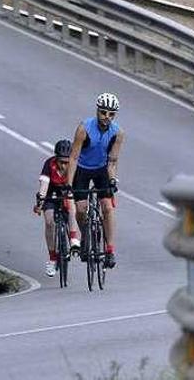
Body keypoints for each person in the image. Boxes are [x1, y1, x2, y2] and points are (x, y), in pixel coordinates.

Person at [66, 92, 125, 269]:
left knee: (107, 207)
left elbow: (112, 160)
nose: (107, 117)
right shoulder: (84, 128)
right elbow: (74, 157)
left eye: (111, 114)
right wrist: (69, 184)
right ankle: (85, 237)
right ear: (97, 111)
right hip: (82, 169)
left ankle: (109, 250)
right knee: (82, 209)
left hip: (101, 169)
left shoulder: (118, 133)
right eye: (103, 113)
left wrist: (112, 180)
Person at [34, 139, 80, 278]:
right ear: (56, 158)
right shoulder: (49, 164)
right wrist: (40, 203)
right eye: (61, 162)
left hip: (67, 192)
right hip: (51, 194)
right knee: (49, 222)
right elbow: (44, 185)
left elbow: (77, 186)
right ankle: (53, 258)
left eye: (67, 162)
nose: (64, 166)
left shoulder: (74, 166)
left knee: (71, 204)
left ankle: (73, 239)